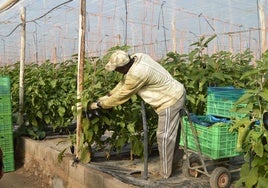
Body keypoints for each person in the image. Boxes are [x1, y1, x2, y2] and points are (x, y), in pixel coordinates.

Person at [89, 50, 186, 179]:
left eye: (117, 70)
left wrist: (99, 105)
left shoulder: (137, 74)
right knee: (172, 135)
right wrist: (108, 95)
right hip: (174, 93)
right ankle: (175, 164)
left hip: (170, 100)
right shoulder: (138, 57)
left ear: (123, 67)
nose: (116, 72)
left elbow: (122, 95)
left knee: (164, 137)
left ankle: (164, 175)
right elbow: (123, 82)